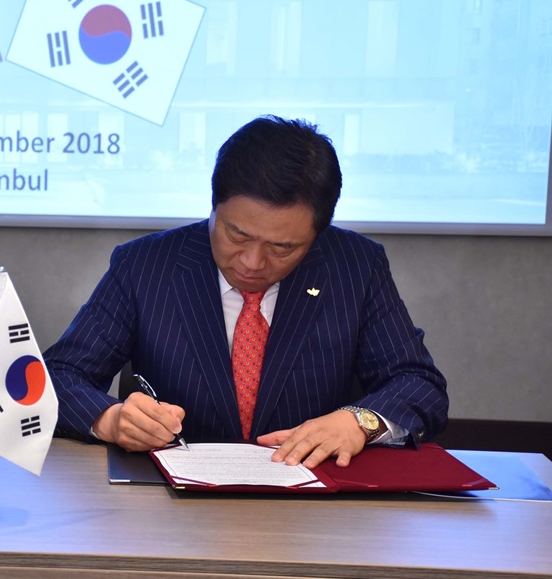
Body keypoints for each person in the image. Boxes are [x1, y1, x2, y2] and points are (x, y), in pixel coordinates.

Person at [44, 115, 448, 469]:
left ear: (317, 234)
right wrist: (111, 419)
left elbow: (419, 384)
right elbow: (60, 375)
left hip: (314, 498)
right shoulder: (145, 266)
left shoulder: (355, 266)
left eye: (282, 248)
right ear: (213, 206)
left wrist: (359, 422)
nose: (252, 262)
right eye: (236, 234)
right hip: (171, 497)